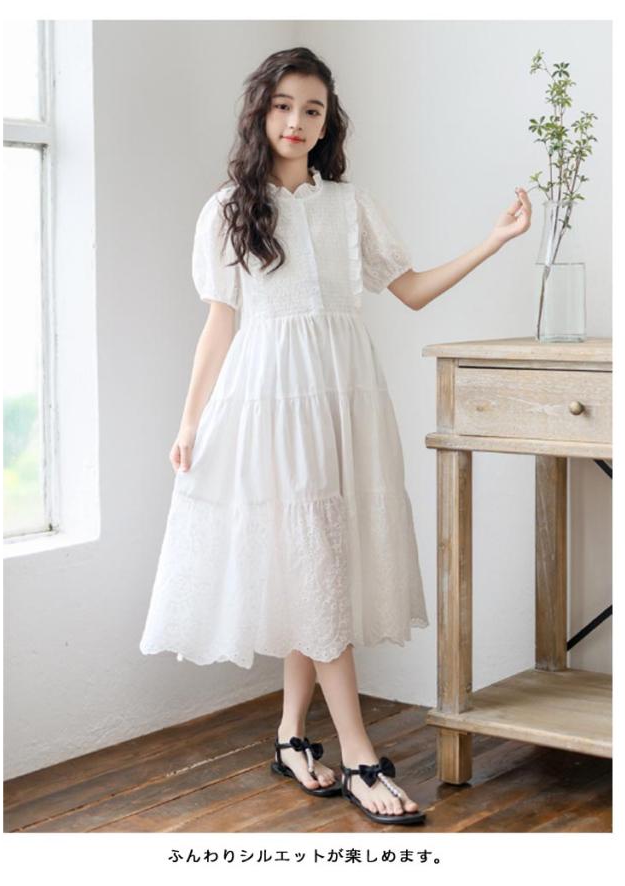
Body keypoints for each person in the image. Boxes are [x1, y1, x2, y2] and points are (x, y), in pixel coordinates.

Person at [139, 46, 532, 827]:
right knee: (314, 560)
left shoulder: (349, 206)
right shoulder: (228, 209)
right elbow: (220, 324)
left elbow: (411, 291)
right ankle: (357, 754)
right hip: (269, 404)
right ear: (262, 112)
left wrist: (493, 241)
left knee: (314, 561)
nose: (296, 120)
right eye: (284, 105)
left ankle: (292, 736)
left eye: (312, 109)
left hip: (345, 401)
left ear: (328, 124)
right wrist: (189, 421)